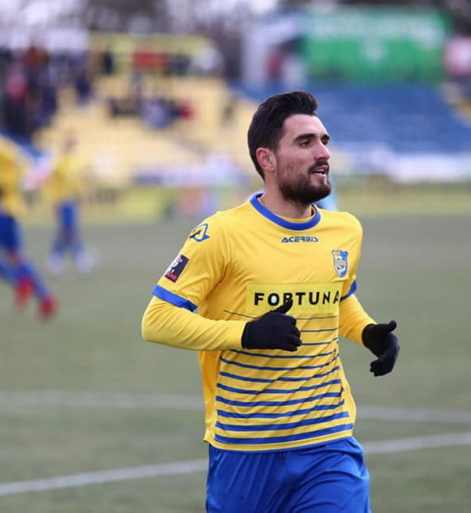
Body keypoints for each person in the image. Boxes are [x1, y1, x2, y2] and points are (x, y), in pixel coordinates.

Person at [141, 91, 400, 512]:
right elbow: (157, 320)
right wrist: (246, 334)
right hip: (244, 450)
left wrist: (366, 331)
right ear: (267, 159)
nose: (323, 153)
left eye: (324, 141)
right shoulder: (222, 233)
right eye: (305, 142)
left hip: (328, 442)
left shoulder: (346, 231)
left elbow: (338, 299)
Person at [0, 109, 57, 320]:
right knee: (16, 257)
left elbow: (21, 162)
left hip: (4, 209)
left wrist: (13, 182)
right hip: (0, 210)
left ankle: (19, 282)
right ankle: (46, 299)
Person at [43, 133, 93, 276]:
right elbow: (52, 183)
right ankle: (78, 258)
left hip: (72, 201)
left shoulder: (74, 162)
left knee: (67, 231)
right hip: (63, 201)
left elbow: (76, 182)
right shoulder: (59, 163)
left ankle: (57, 259)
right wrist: (54, 200)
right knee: (69, 231)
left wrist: (84, 194)